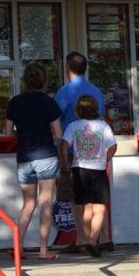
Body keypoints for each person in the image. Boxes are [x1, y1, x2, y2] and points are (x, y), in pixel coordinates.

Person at [5, 62, 63, 260]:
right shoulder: (49, 102)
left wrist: (22, 136)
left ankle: (17, 247)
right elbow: (58, 133)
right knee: (46, 203)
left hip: (25, 157)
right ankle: (44, 250)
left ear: (24, 81)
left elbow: (7, 133)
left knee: (28, 204)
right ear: (44, 81)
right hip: (46, 155)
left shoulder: (15, 102)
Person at [54, 52, 110, 253]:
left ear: (67, 67)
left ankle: (81, 240)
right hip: (97, 152)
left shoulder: (64, 92)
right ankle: (103, 238)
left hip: (71, 151)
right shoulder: (96, 91)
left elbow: (54, 119)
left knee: (76, 198)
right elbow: (101, 119)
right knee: (98, 199)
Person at [58, 95, 117, 258]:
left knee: (85, 207)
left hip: (79, 170)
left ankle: (85, 241)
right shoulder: (103, 126)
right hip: (98, 169)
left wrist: (65, 163)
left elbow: (63, 146)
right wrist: (105, 160)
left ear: (78, 110)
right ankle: (92, 241)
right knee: (100, 208)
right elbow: (113, 146)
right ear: (95, 109)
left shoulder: (73, 126)